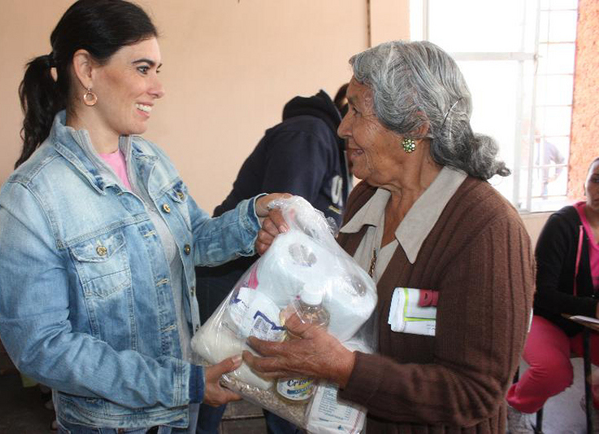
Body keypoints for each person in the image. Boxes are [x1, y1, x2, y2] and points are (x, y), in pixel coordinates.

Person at [0, 1, 284, 433]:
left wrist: (252, 218)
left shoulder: (150, 160)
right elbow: (41, 347)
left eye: (158, 70)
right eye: (143, 68)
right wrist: (179, 382)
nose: (158, 88)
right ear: (87, 70)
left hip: (182, 415)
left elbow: (193, 239)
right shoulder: (31, 197)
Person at [246, 40, 536, 433]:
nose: (342, 127)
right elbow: (342, 304)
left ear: (415, 127)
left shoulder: (488, 229)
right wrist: (292, 258)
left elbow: (474, 393)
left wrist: (346, 370)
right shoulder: (368, 196)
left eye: (357, 111)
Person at [195, 87, 351, 434]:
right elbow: (283, 222)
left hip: (269, 286)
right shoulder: (309, 134)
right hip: (236, 281)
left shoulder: (333, 147)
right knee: (215, 388)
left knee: (282, 394)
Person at [507, 157, 599, 433]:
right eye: (596, 180)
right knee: (553, 372)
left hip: (589, 325)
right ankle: (513, 407)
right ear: (584, 184)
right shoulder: (563, 224)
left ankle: (595, 399)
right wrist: (593, 308)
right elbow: (541, 294)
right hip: (546, 317)